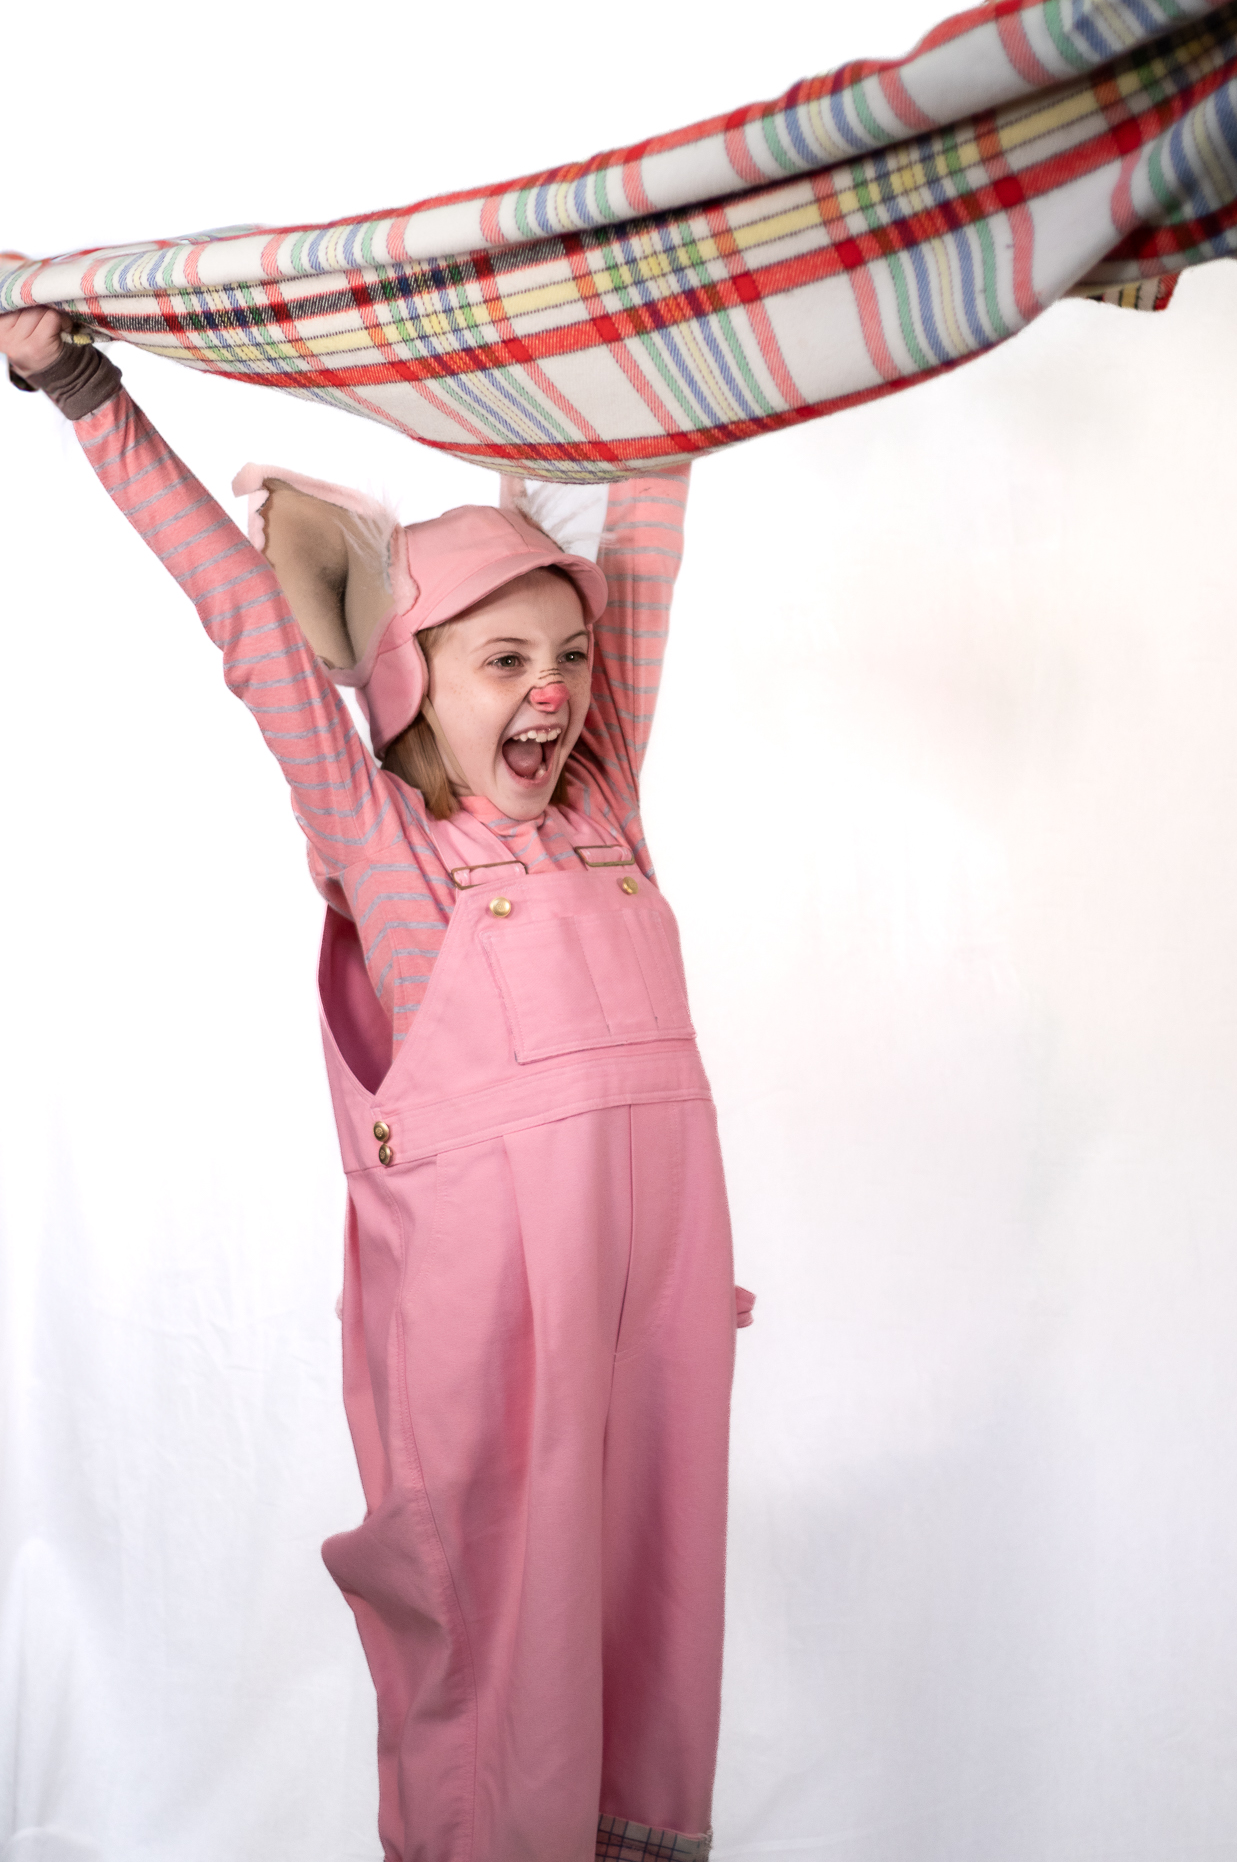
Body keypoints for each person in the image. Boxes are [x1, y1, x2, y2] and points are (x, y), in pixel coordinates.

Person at [0, 302, 752, 1862]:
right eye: (503, 661)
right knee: (498, 1609)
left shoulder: (605, 809)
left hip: (652, 1294)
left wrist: (677, 312)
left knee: (656, 1569)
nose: (552, 691)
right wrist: (82, 389)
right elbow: (243, 612)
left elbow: (643, 540)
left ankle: (633, 1837)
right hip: (492, 1323)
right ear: (411, 681)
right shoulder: (392, 857)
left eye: (569, 658)